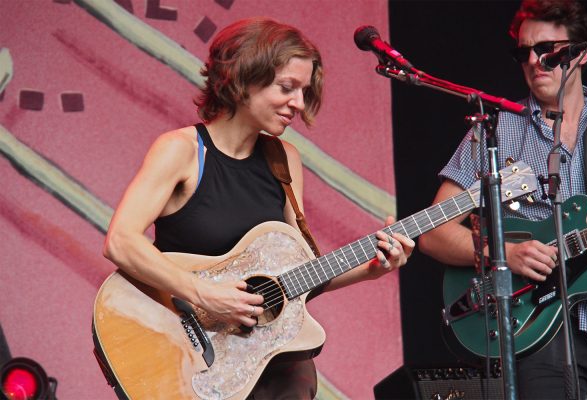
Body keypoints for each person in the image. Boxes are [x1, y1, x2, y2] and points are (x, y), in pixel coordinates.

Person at [102, 17, 414, 399]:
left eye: (303, 91)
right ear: (243, 78)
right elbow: (120, 242)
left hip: (267, 364)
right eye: (287, 87)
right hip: (184, 352)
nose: (298, 104)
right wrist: (204, 294)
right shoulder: (181, 150)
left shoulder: (285, 160)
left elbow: (295, 278)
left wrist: (372, 269)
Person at [419, 0, 587, 398]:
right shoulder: (496, 132)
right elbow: (432, 231)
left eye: (548, 50)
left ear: (581, 52)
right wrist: (504, 255)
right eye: (525, 52)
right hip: (540, 326)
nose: (535, 62)